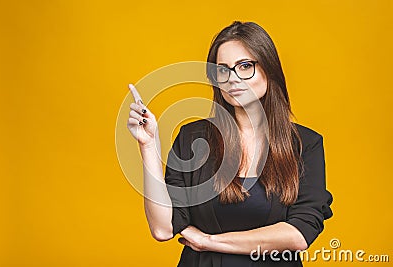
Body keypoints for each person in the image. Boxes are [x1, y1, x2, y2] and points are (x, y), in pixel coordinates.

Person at [127, 21, 333, 267]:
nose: (233, 78)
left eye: (245, 66)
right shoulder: (192, 138)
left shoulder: (305, 145)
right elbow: (163, 229)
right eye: (222, 70)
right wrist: (148, 146)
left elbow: (299, 234)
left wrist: (208, 241)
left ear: (269, 68)